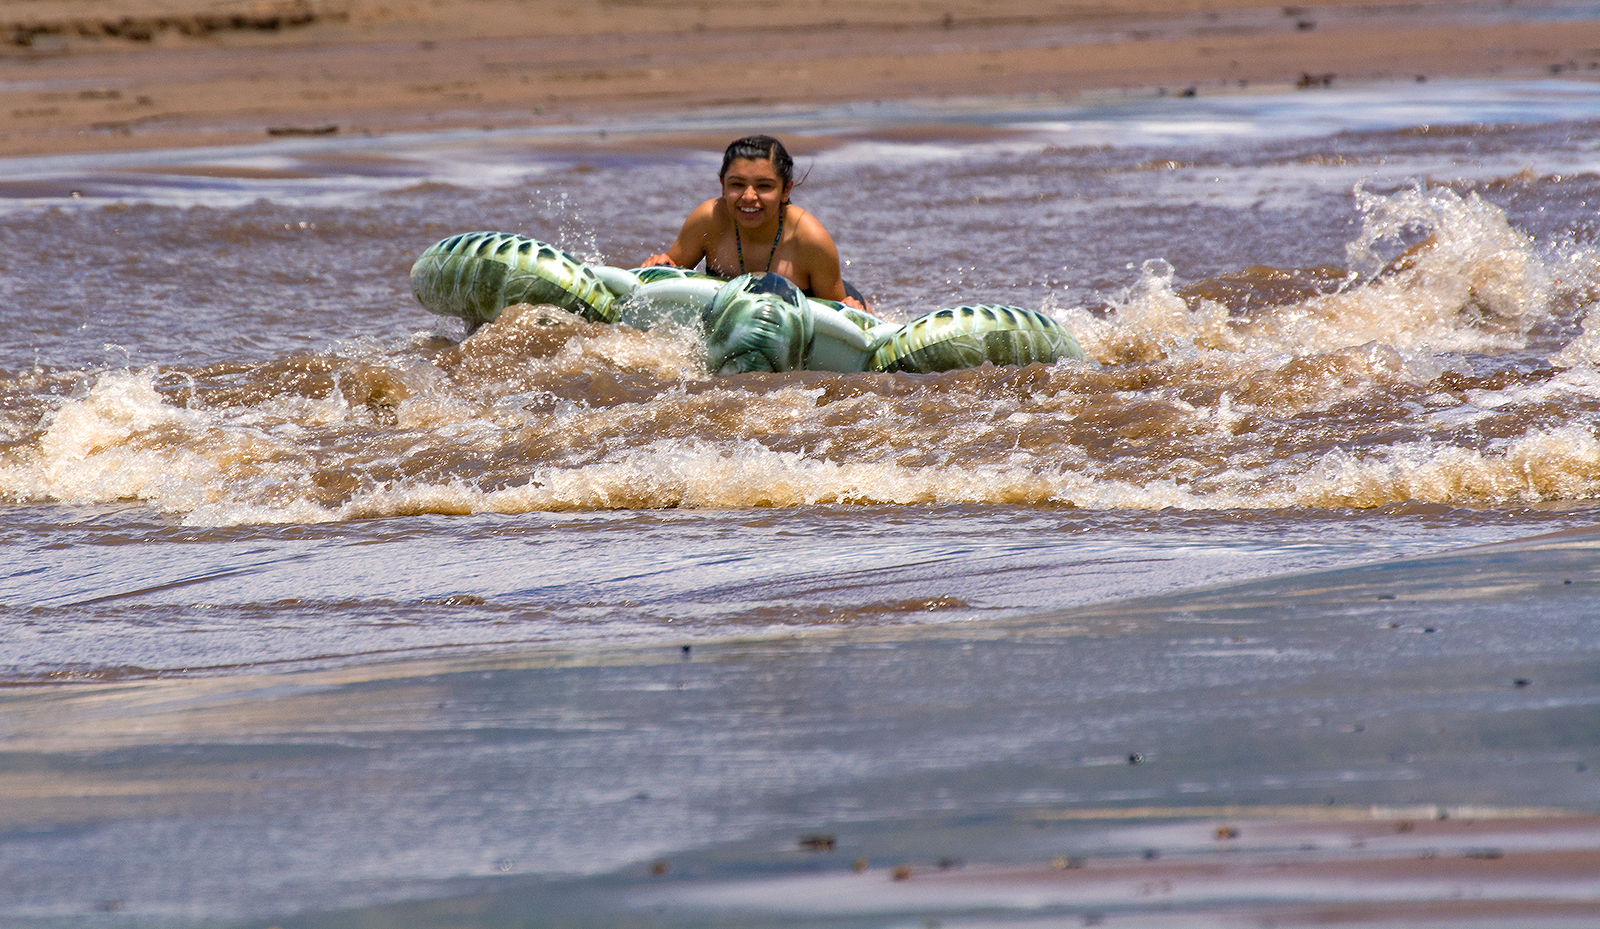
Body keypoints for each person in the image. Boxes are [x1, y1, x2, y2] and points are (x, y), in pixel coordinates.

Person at [643, 135, 867, 310]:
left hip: (829, 293)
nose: (749, 197)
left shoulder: (809, 239)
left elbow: (840, 314)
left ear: (785, 190)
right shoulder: (708, 220)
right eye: (737, 184)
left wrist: (853, 312)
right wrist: (659, 266)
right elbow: (667, 282)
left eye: (764, 186)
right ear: (723, 186)